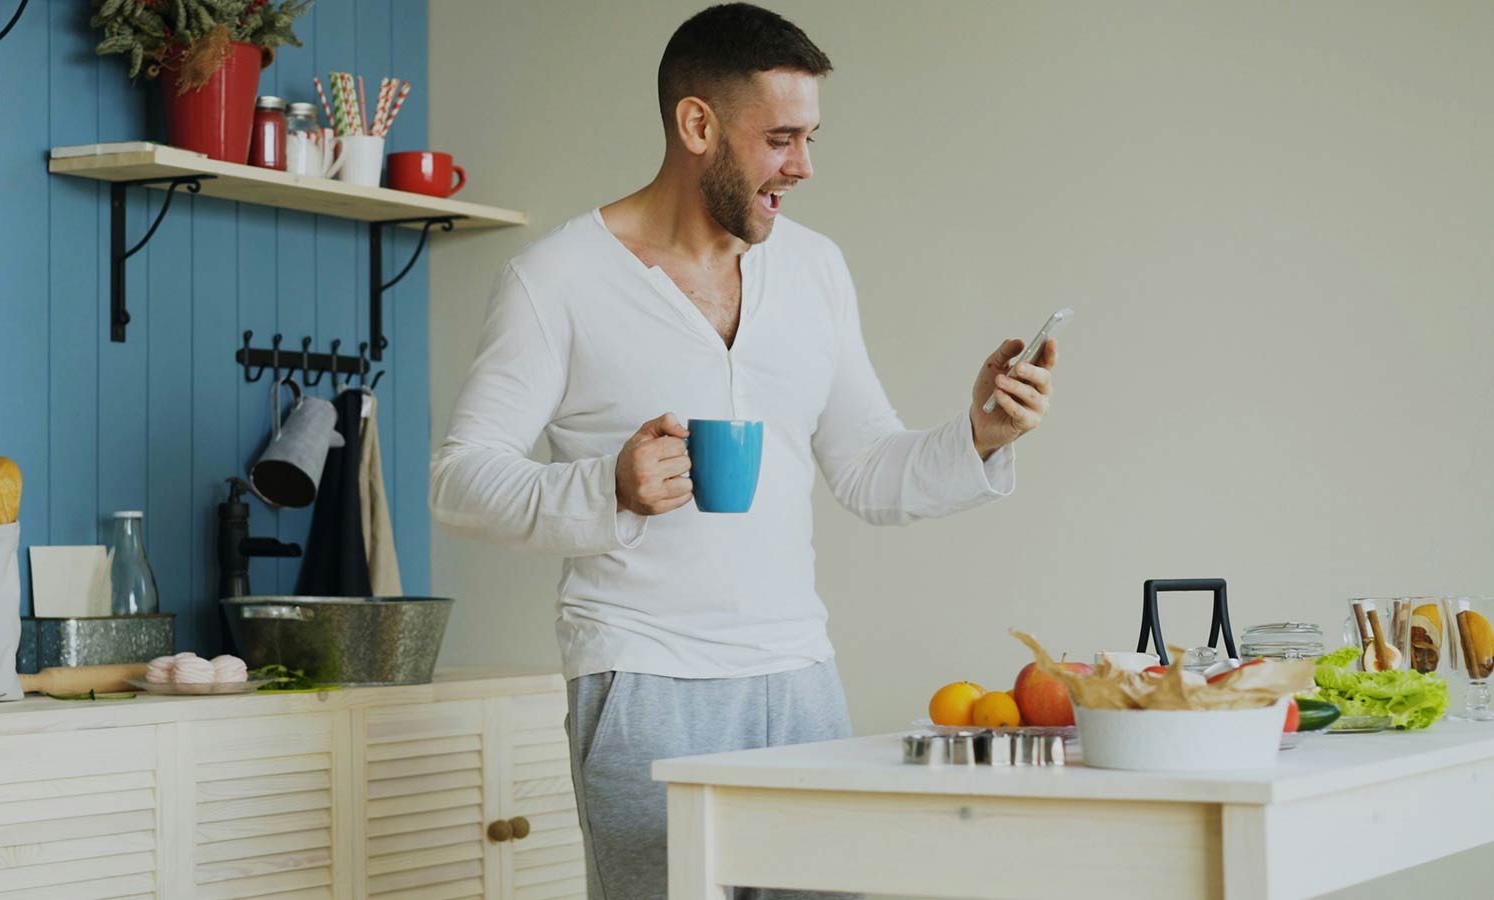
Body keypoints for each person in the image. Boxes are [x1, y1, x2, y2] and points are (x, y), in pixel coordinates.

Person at [430, 4, 1059, 898]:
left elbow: (867, 468)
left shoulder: (815, 269)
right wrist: (606, 486)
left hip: (801, 680)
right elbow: (460, 481)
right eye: (781, 139)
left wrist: (980, 436)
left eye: (810, 138)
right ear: (698, 125)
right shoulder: (556, 281)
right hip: (644, 682)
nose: (803, 166)